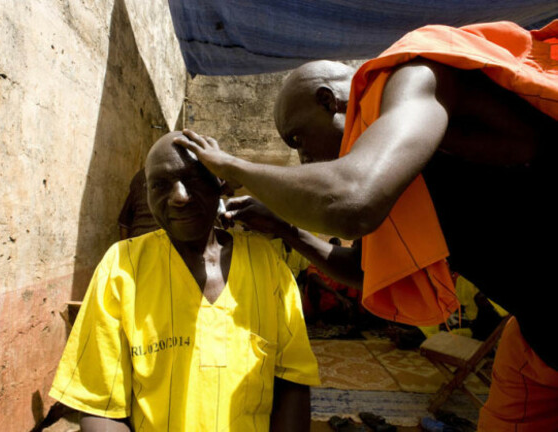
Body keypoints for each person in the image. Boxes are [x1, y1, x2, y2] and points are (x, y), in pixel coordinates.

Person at [175, 20, 558, 430]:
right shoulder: (397, 162)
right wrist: (286, 228)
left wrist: (236, 167)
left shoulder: (413, 75)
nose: (301, 160)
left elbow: (351, 198)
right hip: (536, 338)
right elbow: (363, 269)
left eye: (298, 140)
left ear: (329, 101)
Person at [49, 131, 320, 431]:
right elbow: (100, 404)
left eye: (193, 180)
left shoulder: (268, 265)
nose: (179, 196)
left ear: (221, 184)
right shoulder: (121, 268)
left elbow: (292, 381)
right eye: (160, 185)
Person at [117, 168, 159, 240]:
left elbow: (124, 223)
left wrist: (127, 249)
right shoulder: (176, 176)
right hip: (161, 242)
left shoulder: (139, 176)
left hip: (137, 239)